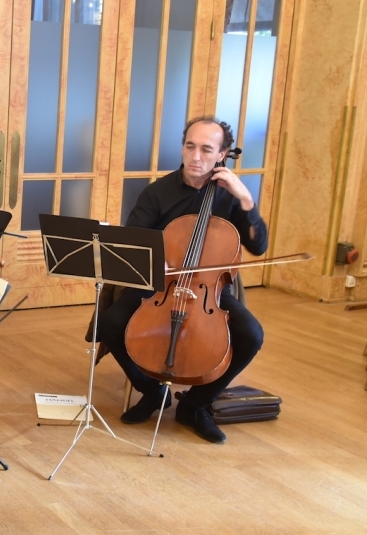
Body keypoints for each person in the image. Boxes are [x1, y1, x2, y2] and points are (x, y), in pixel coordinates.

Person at [97, 117, 268, 444]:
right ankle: (151, 392)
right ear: (182, 147)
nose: (196, 156)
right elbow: (134, 242)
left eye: (206, 149)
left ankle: (196, 403)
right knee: (111, 323)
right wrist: (154, 256)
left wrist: (247, 201)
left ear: (222, 154)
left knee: (251, 334)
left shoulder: (230, 196)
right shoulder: (158, 192)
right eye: (190, 146)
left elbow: (258, 245)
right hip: (161, 284)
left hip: (209, 291)